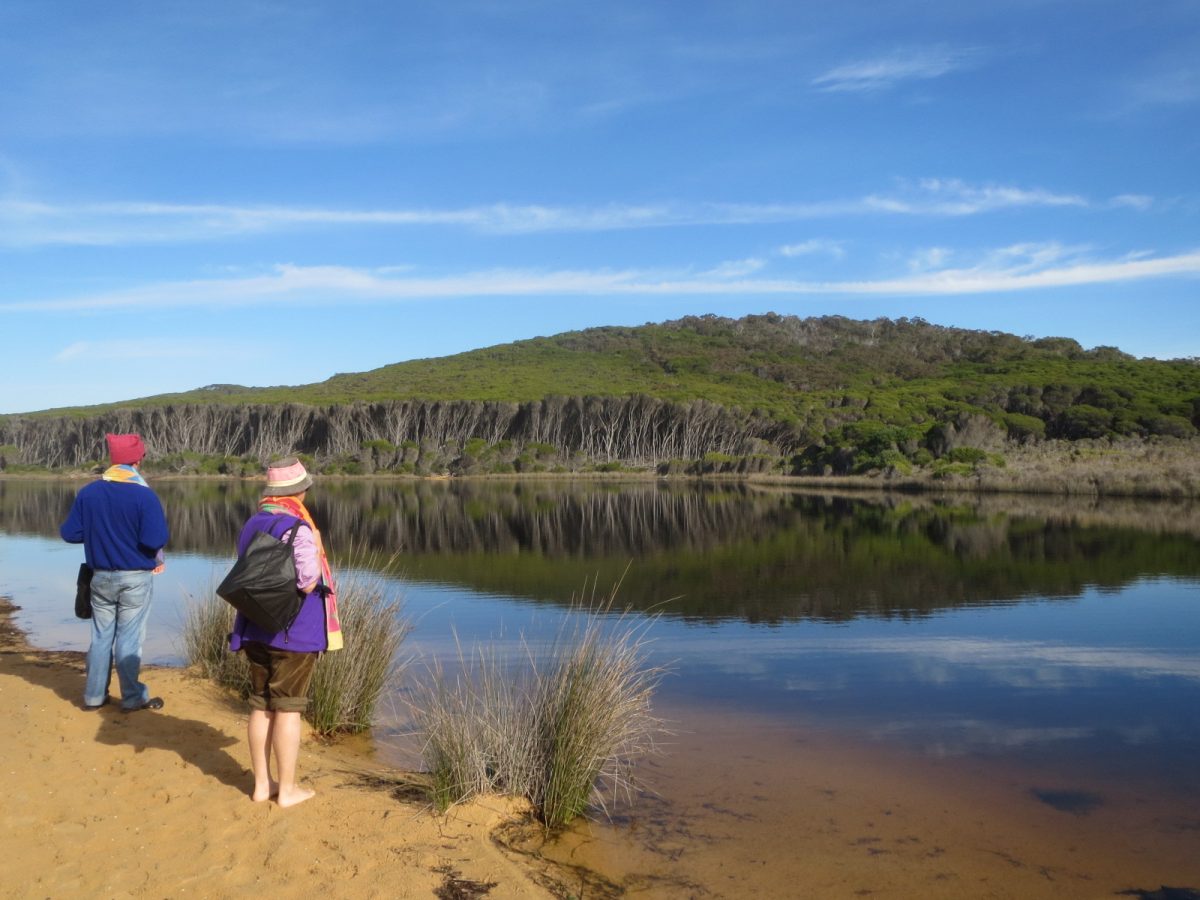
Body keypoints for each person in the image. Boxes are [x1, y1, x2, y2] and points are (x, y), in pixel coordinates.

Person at [228, 457, 343, 807]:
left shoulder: (253, 522)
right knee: (288, 709)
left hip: (254, 625)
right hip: (293, 633)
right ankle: (288, 790)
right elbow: (308, 582)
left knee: (261, 704)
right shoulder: (300, 527)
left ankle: (263, 785)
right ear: (300, 491)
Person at [60, 432, 169, 712]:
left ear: (113, 460)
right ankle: (132, 698)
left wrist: (99, 533)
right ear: (138, 460)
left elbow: (70, 533)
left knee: (101, 637)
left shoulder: (89, 493)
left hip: (100, 577)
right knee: (130, 637)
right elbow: (154, 539)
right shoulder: (144, 496)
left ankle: (94, 697)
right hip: (135, 579)